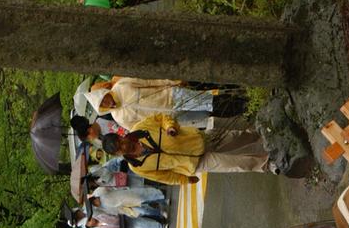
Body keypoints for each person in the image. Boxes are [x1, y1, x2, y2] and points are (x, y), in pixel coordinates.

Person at [100, 114, 273, 185]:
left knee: (236, 138)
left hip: (197, 140)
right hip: (193, 164)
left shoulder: (141, 128)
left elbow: (163, 118)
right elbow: (164, 176)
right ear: (118, 154)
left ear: (120, 136)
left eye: (120, 142)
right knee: (236, 165)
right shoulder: (136, 166)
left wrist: (169, 127)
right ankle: (266, 164)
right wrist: (184, 180)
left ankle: (258, 135)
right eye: (119, 149)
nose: (124, 146)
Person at [85, 77, 245, 131]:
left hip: (173, 95)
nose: (106, 101)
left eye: (103, 98)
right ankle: (242, 110)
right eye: (102, 104)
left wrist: (172, 82)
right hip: (173, 118)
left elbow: (149, 82)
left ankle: (244, 104)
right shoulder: (119, 118)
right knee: (207, 114)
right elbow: (141, 128)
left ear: (104, 93)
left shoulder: (122, 85)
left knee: (209, 102)